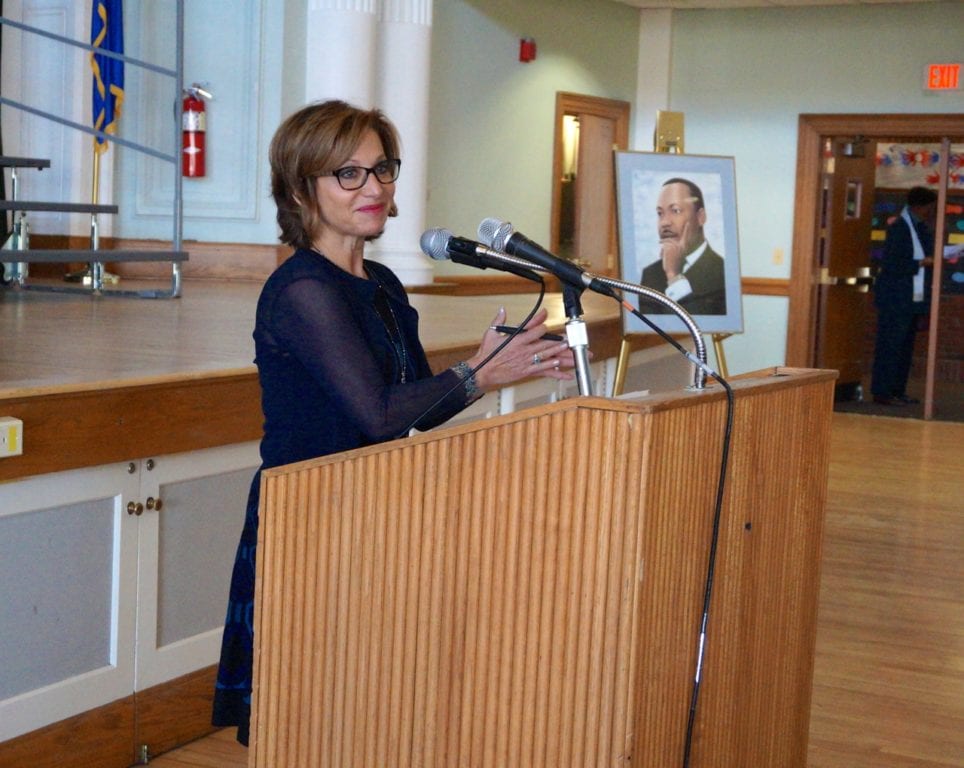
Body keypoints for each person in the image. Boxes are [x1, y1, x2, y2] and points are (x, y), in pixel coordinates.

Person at [211, 100, 575, 746]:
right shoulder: (302, 290)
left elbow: (410, 408)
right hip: (312, 519)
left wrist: (481, 366)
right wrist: (480, 374)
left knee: (371, 713)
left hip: (379, 509)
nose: (373, 187)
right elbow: (377, 418)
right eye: (347, 174)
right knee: (308, 722)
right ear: (302, 188)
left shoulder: (380, 283)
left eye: (382, 170)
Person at [870, 186, 937, 406]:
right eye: (929, 207)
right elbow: (891, 263)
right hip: (895, 297)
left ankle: (898, 389)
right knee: (890, 345)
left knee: (905, 347)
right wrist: (920, 263)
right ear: (919, 206)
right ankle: (882, 391)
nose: (930, 211)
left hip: (911, 298)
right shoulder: (899, 228)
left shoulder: (920, 228)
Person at [639, 177, 727, 315]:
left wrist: (673, 277)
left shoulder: (724, 272)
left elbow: (698, 326)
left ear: (700, 217)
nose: (665, 222)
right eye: (660, 213)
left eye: (676, 211)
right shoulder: (650, 274)